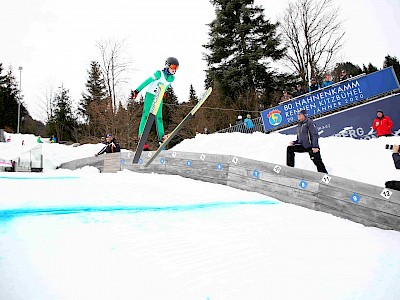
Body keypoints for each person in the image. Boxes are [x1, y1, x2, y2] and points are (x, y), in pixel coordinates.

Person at [131, 57, 179, 142]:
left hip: (159, 97)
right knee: (146, 115)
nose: (174, 70)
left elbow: (166, 86)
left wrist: (163, 92)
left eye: (177, 68)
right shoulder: (159, 74)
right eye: (173, 67)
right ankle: (140, 134)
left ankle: (162, 137)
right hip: (150, 95)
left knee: (159, 117)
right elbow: (147, 81)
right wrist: (137, 91)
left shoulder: (172, 78)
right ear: (167, 65)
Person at [287, 109, 328, 173]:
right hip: (303, 146)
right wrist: (295, 142)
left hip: (311, 147)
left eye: (299, 114)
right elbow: (300, 138)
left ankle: (325, 175)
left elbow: (315, 134)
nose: (298, 116)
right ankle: (290, 169)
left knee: (317, 162)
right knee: (290, 149)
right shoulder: (299, 125)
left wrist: (315, 146)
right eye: (297, 114)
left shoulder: (309, 122)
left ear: (304, 115)